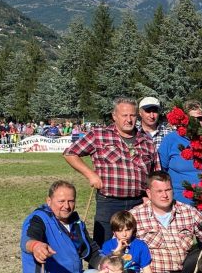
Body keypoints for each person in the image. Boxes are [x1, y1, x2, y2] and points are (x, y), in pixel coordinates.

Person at [64, 97, 159, 246]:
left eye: (132, 115)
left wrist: (151, 196)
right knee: (104, 248)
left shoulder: (146, 141)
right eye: (124, 115)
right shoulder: (99, 135)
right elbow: (70, 153)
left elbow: (156, 173)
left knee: (137, 247)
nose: (129, 120)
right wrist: (91, 175)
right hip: (109, 202)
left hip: (139, 203)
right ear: (114, 116)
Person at [159, 100, 202, 205]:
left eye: (200, 118)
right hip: (181, 200)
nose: (196, 122)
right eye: (192, 119)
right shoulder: (171, 140)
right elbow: (161, 170)